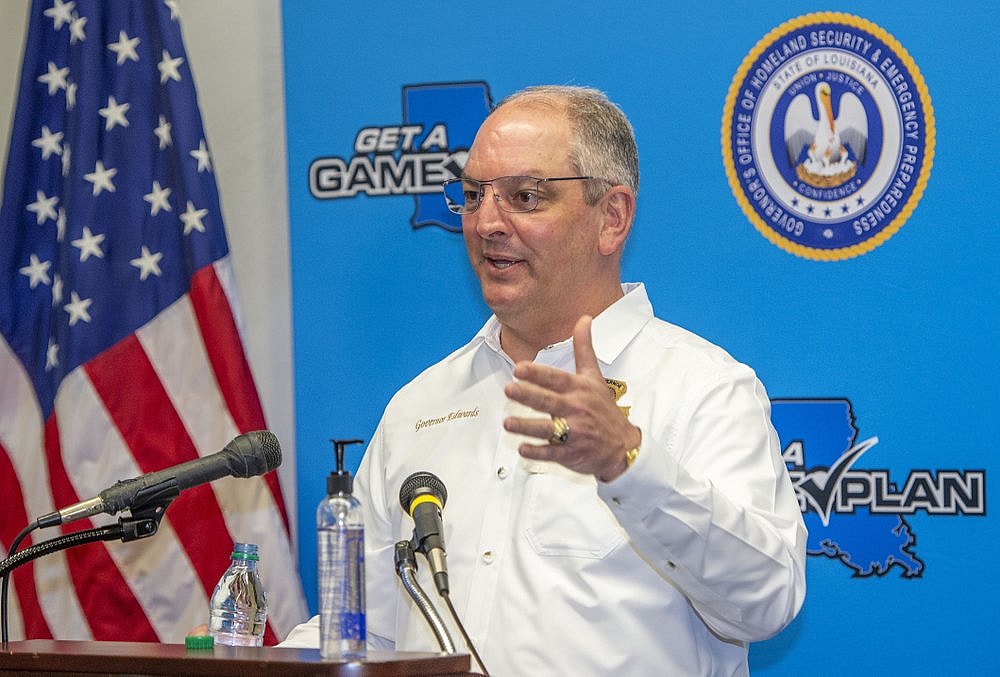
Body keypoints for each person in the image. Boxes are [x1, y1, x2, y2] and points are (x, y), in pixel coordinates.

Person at [282, 85, 807, 675]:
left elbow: (767, 602)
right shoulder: (421, 405)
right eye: (473, 195)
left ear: (612, 218)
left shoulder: (702, 387)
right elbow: (366, 630)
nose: (486, 223)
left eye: (525, 197)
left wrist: (630, 464)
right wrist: (247, 663)